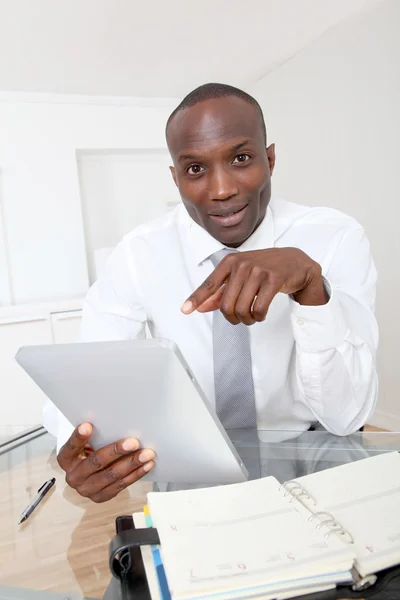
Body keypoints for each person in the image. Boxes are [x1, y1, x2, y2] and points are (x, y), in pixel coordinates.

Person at [49, 83, 378, 503]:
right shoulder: (139, 252)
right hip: (187, 466)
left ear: (270, 159)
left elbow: (346, 415)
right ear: (176, 177)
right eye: (196, 169)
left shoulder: (336, 238)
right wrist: (81, 445)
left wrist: (311, 287)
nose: (221, 189)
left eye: (240, 158)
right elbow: (88, 370)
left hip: (309, 462)